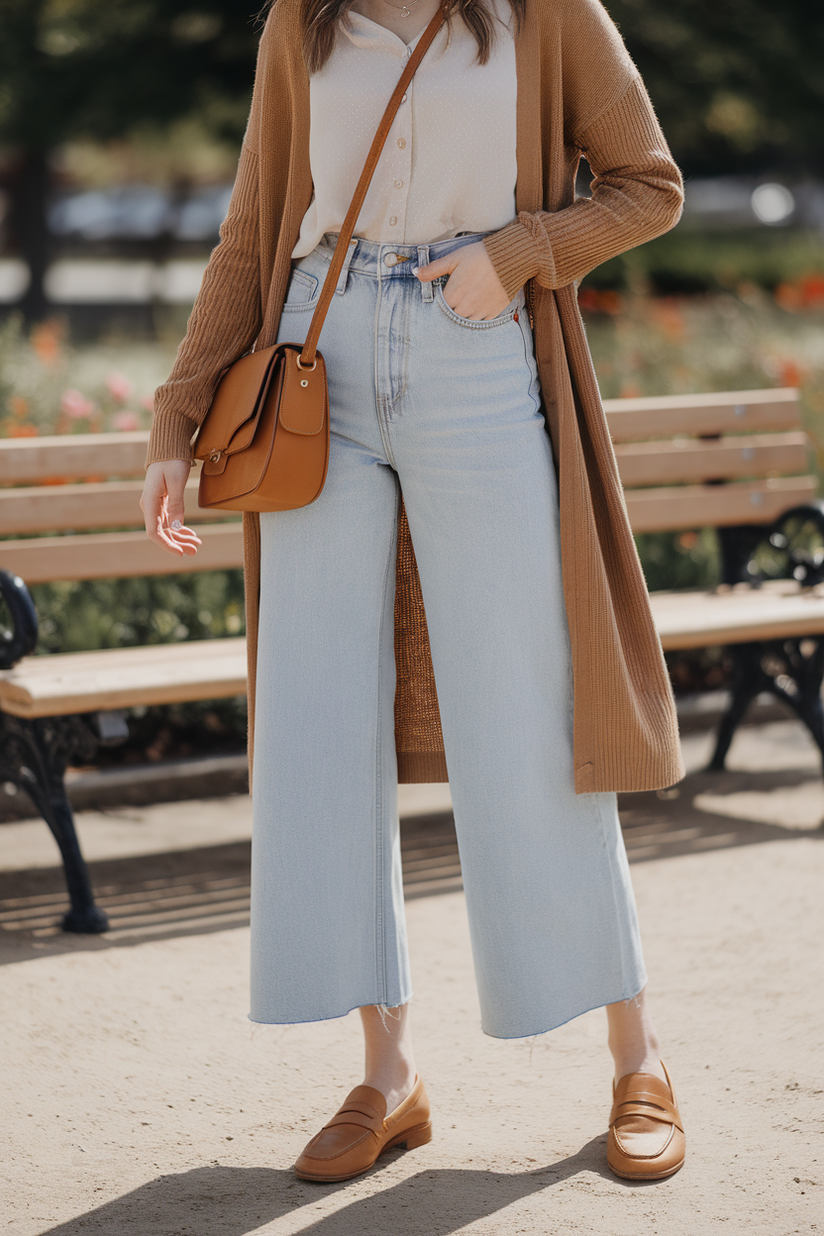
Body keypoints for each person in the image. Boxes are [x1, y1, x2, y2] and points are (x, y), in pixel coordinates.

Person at [141, 0, 687, 1184]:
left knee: (529, 713)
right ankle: (387, 1077)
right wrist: (177, 419)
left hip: (475, 350)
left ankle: (635, 1059)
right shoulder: (305, 20)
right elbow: (255, 222)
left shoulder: (543, 16)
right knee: (319, 716)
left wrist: (518, 254)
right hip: (312, 364)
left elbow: (648, 184)